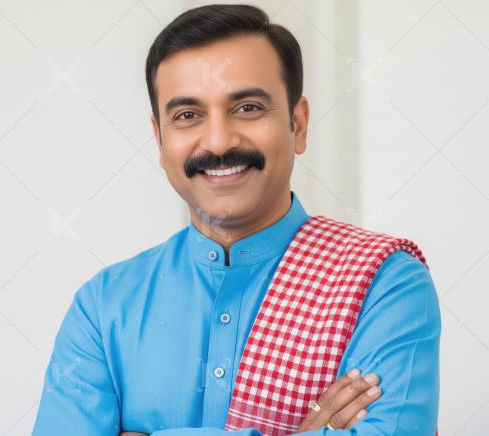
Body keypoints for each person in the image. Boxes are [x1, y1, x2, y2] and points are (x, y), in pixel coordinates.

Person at [32, 4, 440, 435]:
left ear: (297, 125)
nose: (219, 141)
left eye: (247, 107)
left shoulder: (384, 283)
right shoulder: (103, 308)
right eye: (188, 116)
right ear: (160, 139)